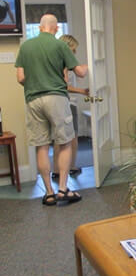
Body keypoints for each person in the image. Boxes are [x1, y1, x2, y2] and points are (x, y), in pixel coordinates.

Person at [15, 14, 88, 206]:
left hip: (33, 99)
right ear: (55, 29)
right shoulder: (60, 46)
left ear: (40, 28)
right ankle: (63, 189)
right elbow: (79, 73)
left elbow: (20, 78)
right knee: (64, 143)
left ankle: (48, 193)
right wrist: (88, 66)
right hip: (55, 98)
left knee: (42, 146)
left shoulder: (25, 47)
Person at [52, 35, 89, 180]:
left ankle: (56, 169)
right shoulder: (64, 63)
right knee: (72, 139)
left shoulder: (56, 61)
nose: (74, 53)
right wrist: (83, 91)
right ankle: (71, 167)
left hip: (58, 104)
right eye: (73, 50)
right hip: (67, 103)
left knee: (59, 139)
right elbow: (65, 85)